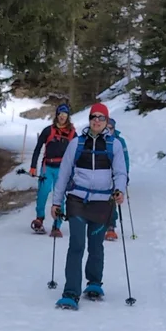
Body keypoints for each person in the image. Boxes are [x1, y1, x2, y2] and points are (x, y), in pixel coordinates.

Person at [50, 101, 128, 309]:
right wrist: (56, 202)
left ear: (106, 121)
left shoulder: (115, 145)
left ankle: (94, 283)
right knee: (76, 245)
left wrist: (119, 189)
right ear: (90, 120)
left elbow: (121, 172)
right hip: (77, 200)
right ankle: (71, 292)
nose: (97, 121)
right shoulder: (76, 144)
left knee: (96, 246)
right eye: (94, 117)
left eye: (101, 118)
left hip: (102, 203)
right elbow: (64, 173)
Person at [27, 102, 75, 234]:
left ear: (68, 116)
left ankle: (57, 225)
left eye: (65, 114)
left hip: (63, 170)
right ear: (57, 115)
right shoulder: (48, 130)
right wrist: (33, 167)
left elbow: (77, 152)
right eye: (60, 114)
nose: (62, 116)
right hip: (47, 167)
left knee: (59, 197)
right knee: (42, 193)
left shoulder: (72, 133)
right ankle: (39, 219)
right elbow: (37, 148)